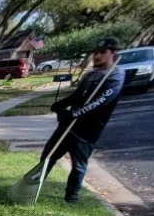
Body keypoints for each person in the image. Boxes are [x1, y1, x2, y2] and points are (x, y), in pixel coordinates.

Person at [40, 37, 125, 203]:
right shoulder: (91, 74)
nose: (97, 56)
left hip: (87, 131)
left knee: (78, 165)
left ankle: (72, 197)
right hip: (67, 126)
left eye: (102, 52)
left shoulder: (116, 75)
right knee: (48, 156)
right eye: (94, 53)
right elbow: (77, 96)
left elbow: (102, 100)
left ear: (113, 53)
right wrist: (62, 105)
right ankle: (34, 184)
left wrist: (76, 114)